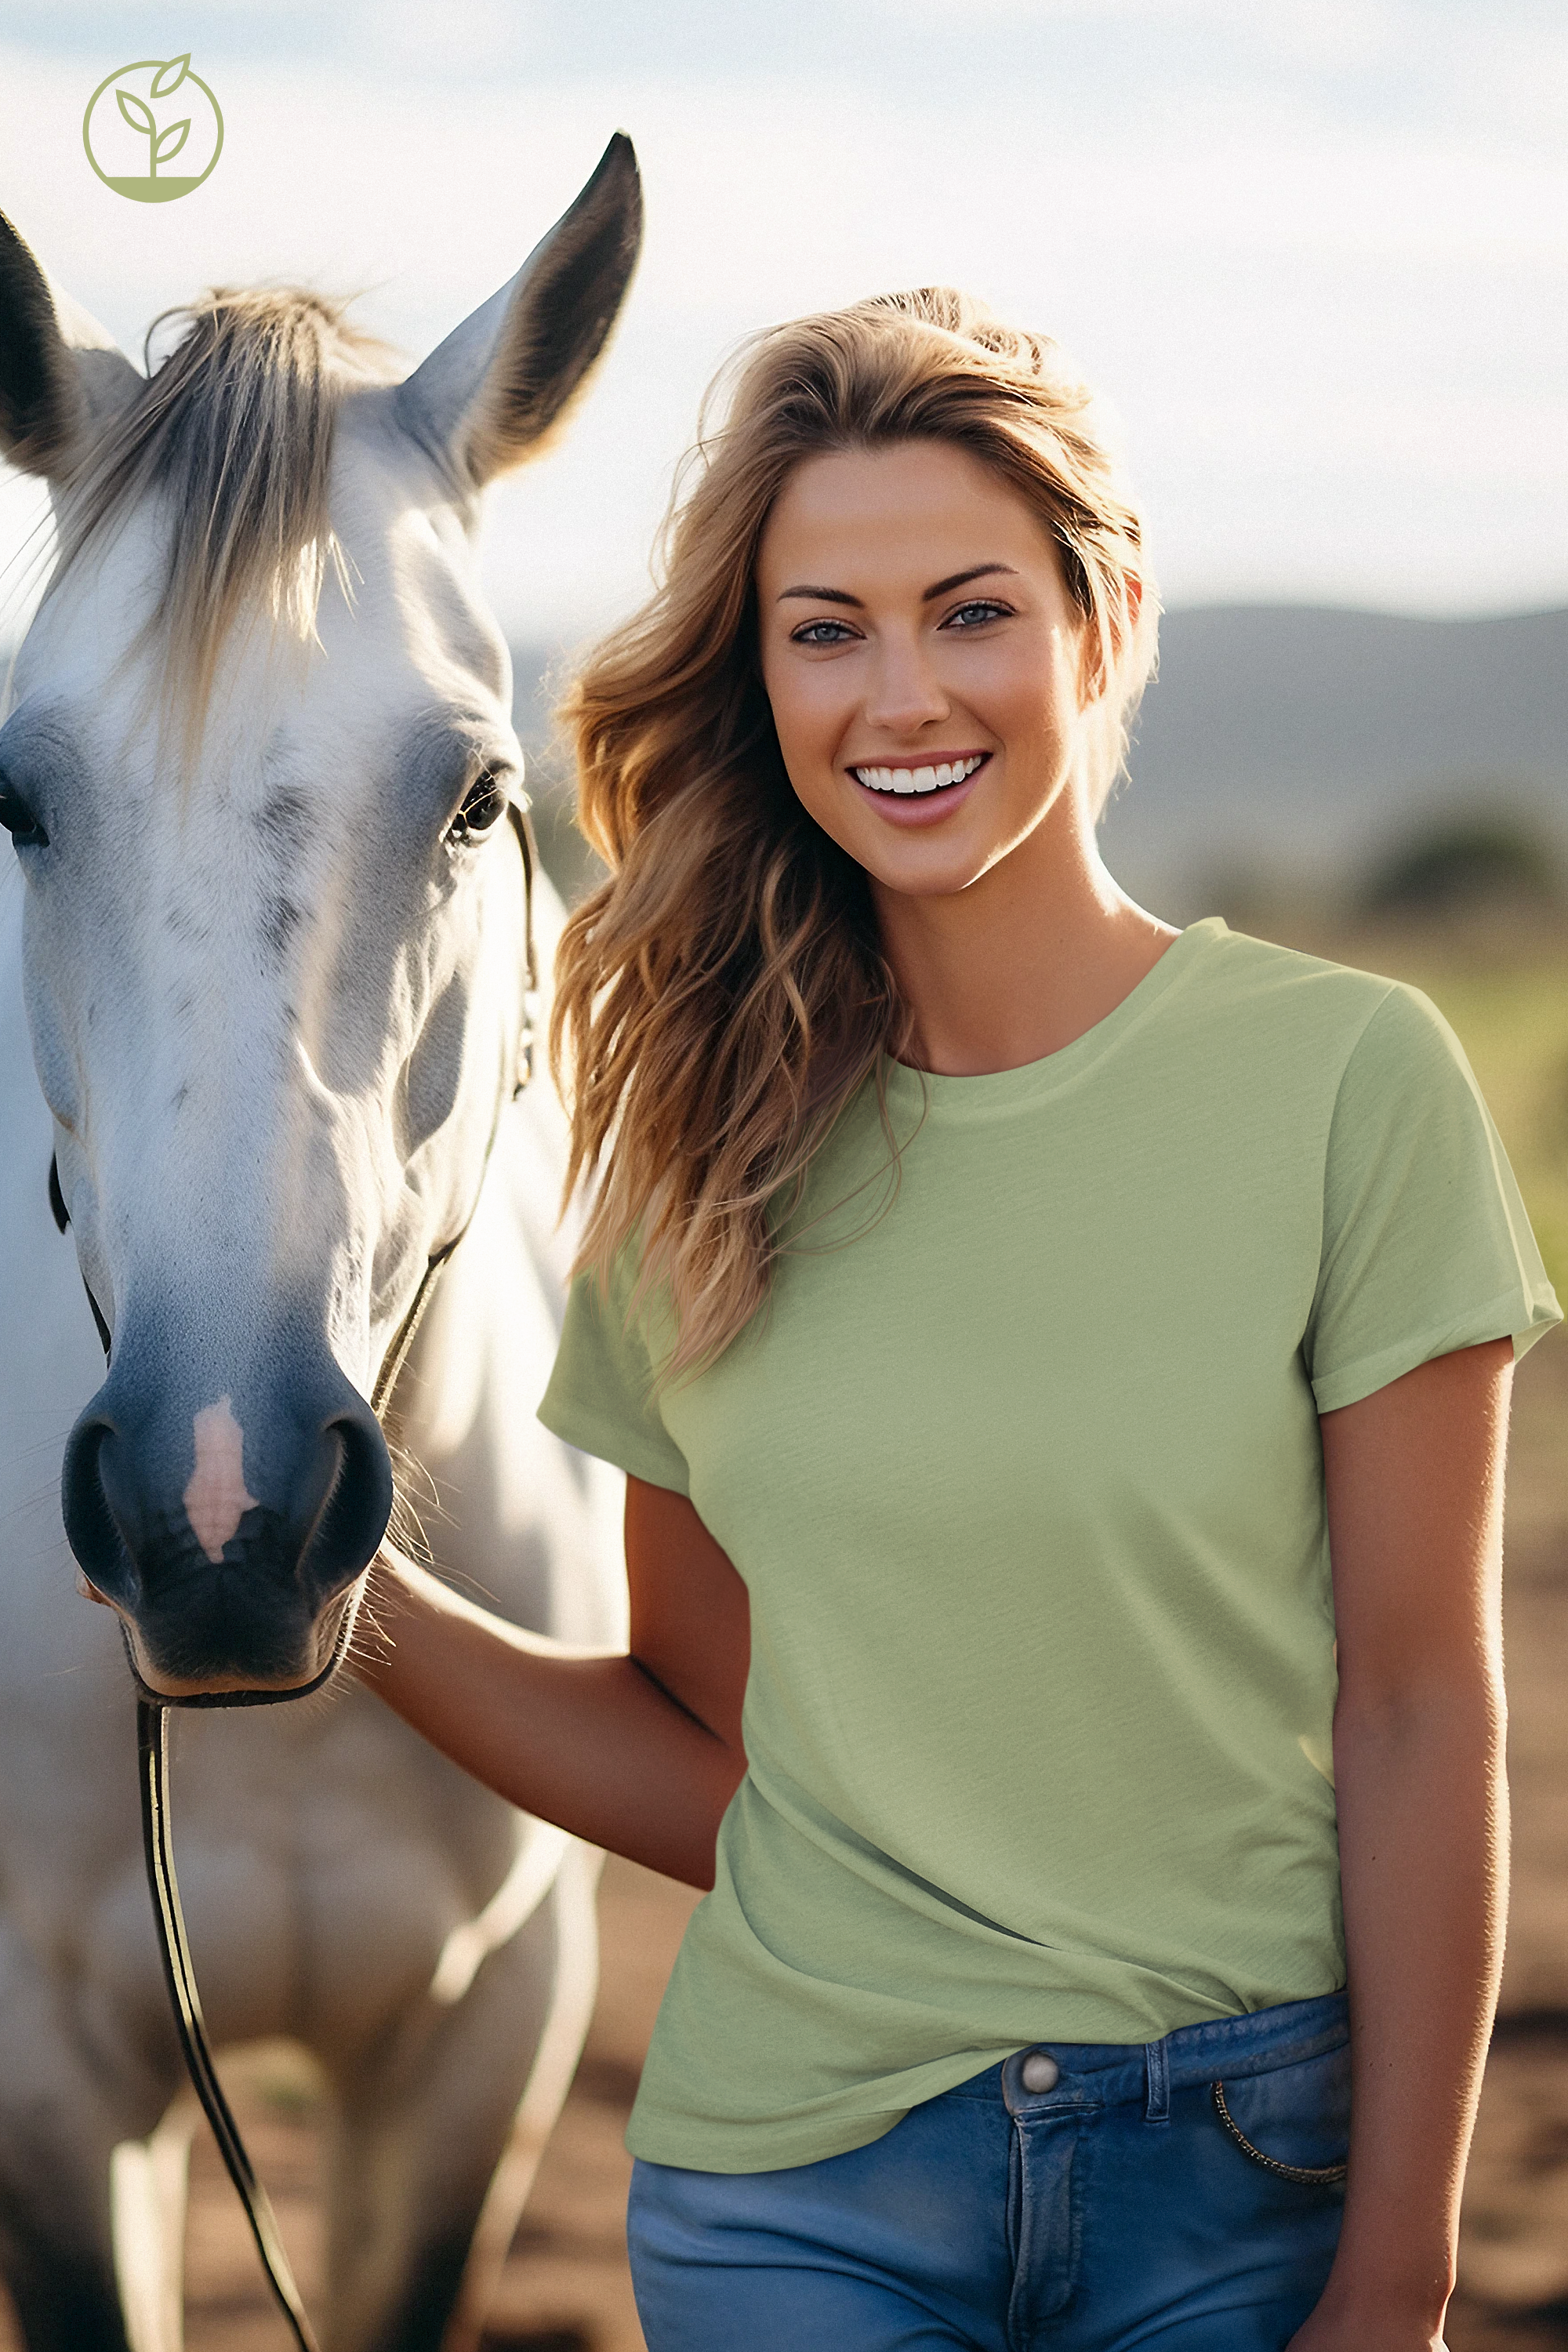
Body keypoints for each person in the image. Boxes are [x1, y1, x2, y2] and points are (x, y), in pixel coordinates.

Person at [361, 289, 1561, 2350]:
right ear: (758, 677)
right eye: (826, 626)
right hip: (790, 2200)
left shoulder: (1351, 1085)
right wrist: (330, 1597)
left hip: (1248, 2185)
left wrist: (1402, 2266)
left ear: (1102, 622)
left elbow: (1420, 1712)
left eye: (970, 610)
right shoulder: (693, 1152)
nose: (899, 693)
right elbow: (710, 1763)